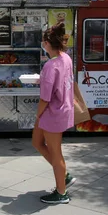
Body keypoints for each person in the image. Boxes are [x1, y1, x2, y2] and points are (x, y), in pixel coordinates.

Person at [32, 22, 75, 204]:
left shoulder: (50, 66)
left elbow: (45, 98)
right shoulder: (65, 58)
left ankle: (61, 192)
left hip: (52, 113)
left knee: (56, 153)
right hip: (62, 109)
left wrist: (37, 115)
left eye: (43, 41)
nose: (42, 44)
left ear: (48, 43)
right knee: (37, 142)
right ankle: (63, 176)